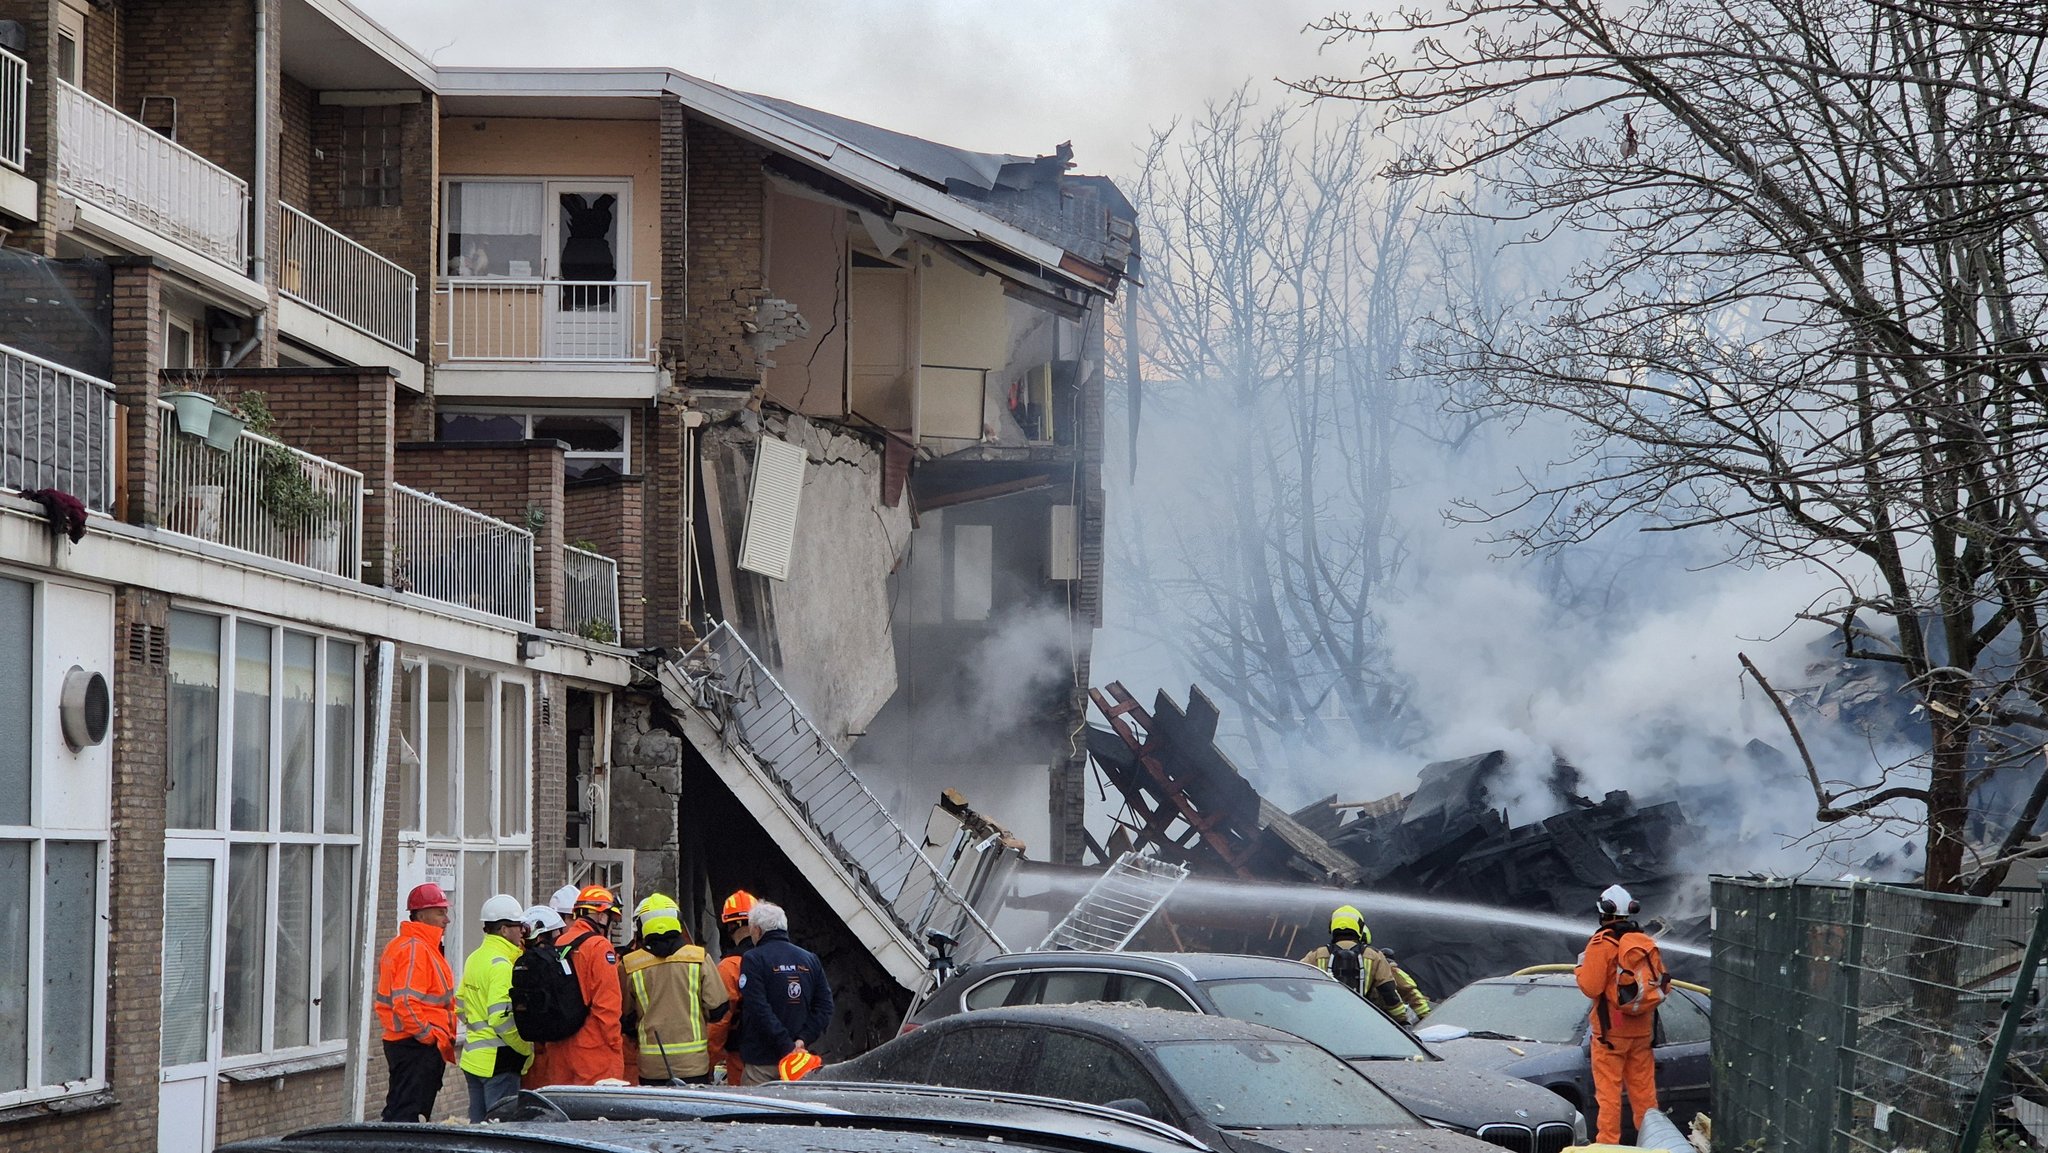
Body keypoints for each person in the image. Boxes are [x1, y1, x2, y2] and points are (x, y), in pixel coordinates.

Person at [1575, 884, 1669, 1144]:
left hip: (1611, 1032)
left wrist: (1580, 968)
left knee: (1608, 1095)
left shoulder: (1601, 944)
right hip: (1642, 1030)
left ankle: (1608, 1145)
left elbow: (1591, 987)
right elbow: (1663, 984)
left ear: (1603, 912)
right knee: (1645, 1094)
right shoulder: (1645, 942)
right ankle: (1655, 1144)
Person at [621, 892, 731, 1084]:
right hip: (694, 1064)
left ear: (642, 926)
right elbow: (718, 1009)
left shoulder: (630, 965)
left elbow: (625, 1017)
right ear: (677, 921)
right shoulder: (699, 958)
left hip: (651, 1067)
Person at [524, 885, 627, 1087]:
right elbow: (608, 1004)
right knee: (596, 1114)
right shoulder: (599, 947)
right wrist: (614, 1043)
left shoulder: (560, 943)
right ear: (601, 916)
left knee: (564, 1110)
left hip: (559, 1045)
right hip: (594, 1049)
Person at [376, 883, 459, 1122]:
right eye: (440, 912)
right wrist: (427, 1036)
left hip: (410, 1043)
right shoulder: (416, 949)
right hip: (414, 1045)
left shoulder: (413, 945)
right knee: (408, 1117)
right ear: (421, 915)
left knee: (406, 1113)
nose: (447, 919)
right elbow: (405, 1002)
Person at [736, 900, 833, 1085]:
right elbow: (825, 1006)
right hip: (798, 1064)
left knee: (758, 1112)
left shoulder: (753, 959)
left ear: (756, 930)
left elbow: (758, 1008)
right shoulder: (810, 959)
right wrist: (802, 1040)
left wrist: (786, 1046)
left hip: (762, 1063)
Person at [456, 894, 532, 1121]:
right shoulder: (502, 965)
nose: (522, 932)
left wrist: (477, 1029)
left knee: (479, 1131)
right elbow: (501, 1018)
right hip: (499, 1061)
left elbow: (460, 1005)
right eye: (518, 926)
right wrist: (524, 1047)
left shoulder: (475, 958)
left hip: (473, 1059)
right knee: (501, 1130)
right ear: (504, 930)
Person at [1301, 905, 1430, 1020]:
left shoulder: (1317, 954)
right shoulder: (1374, 956)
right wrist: (1403, 1022)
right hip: (1365, 1020)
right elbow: (1389, 992)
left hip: (1323, 1018)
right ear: (1360, 927)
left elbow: (1295, 978)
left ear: (1331, 927)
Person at [705, 889, 757, 1083]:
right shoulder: (775, 959)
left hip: (742, 1059)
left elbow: (720, 1020)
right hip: (786, 1054)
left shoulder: (731, 965)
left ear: (731, 925)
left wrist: (709, 1062)